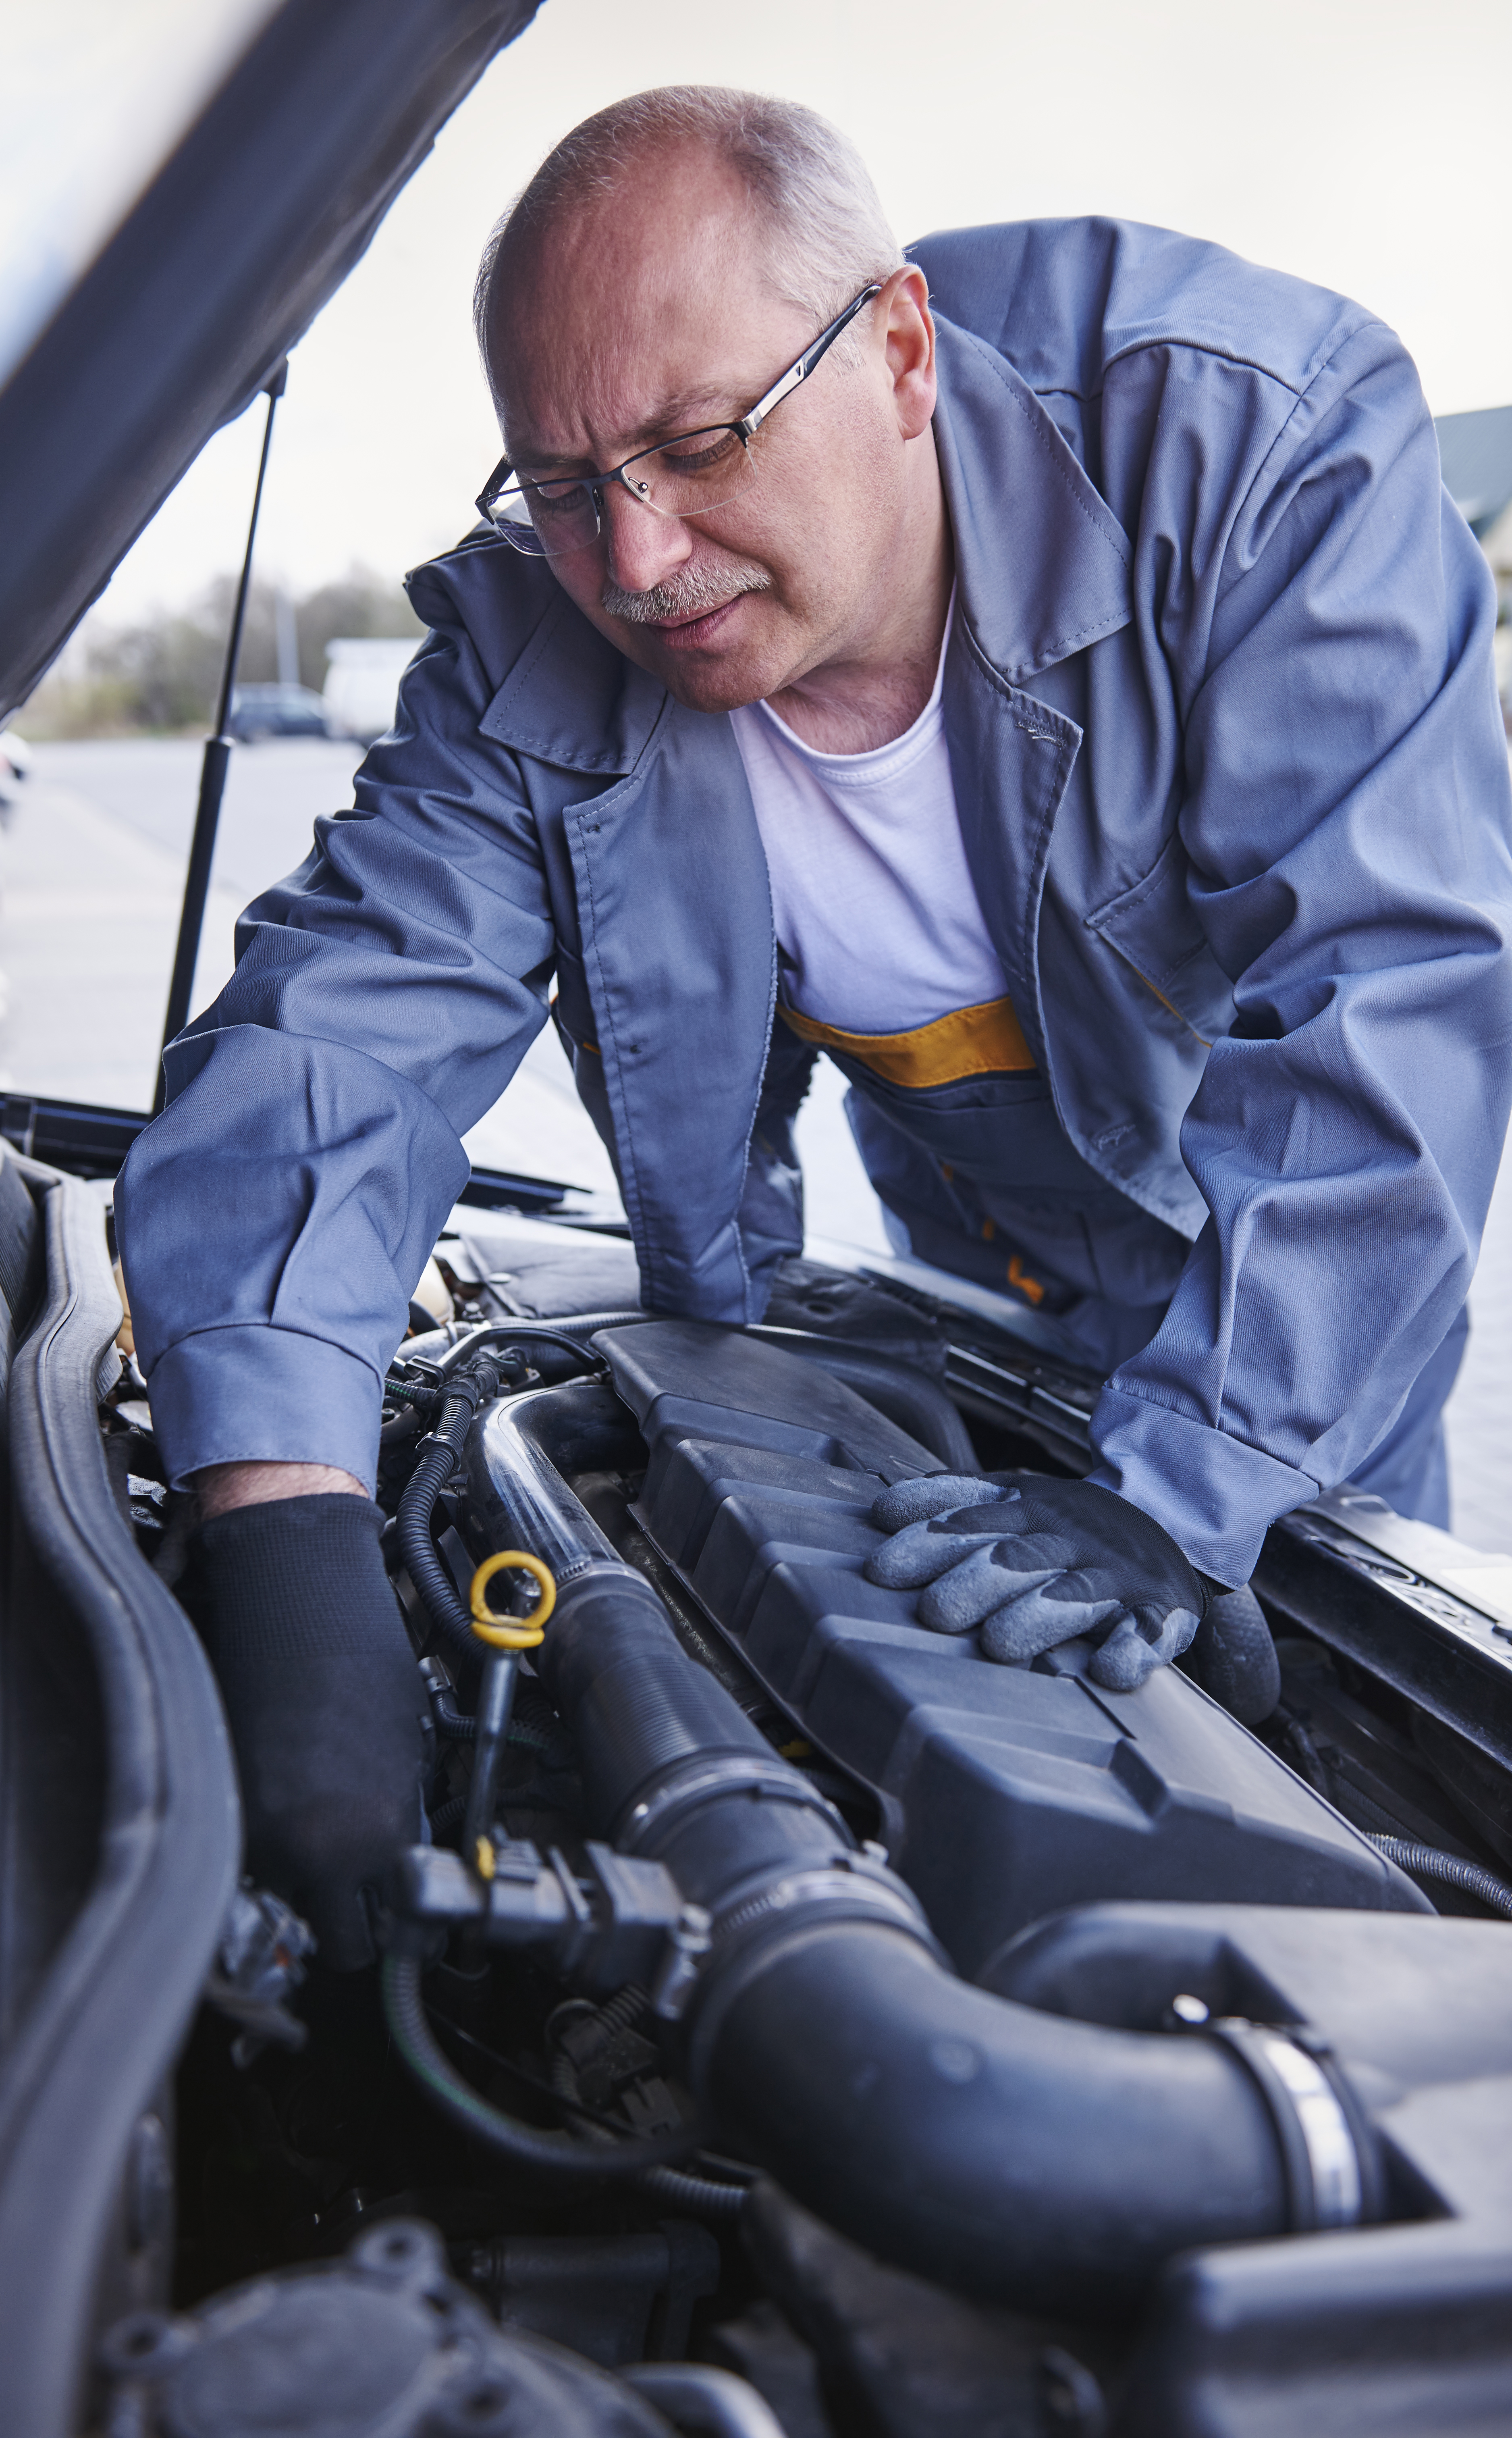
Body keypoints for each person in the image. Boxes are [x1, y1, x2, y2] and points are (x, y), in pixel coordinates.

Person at [119, 87, 1512, 1964]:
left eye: (700, 445)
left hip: (1295, 1286)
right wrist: (283, 1537)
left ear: (905, 349)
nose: (636, 560)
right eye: (561, 482)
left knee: (1321, 1771)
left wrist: (1196, 1502)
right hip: (979, 1248)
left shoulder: (1252, 450)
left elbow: (1394, 1010)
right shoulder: (551, 624)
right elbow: (341, 1032)